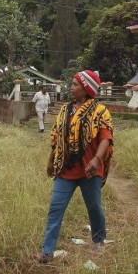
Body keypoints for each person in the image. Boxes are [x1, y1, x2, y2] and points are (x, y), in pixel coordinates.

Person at [36, 70, 114, 263]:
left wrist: (96, 159)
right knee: (56, 208)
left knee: (94, 207)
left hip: (90, 170)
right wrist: (51, 159)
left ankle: (98, 240)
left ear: (86, 89)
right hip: (65, 169)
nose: (71, 87)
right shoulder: (65, 110)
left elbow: (106, 138)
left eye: (75, 84)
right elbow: (57, 137)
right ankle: (47, 251)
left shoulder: (100, 111)